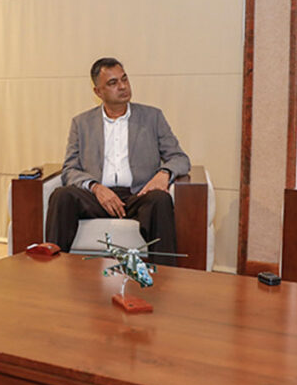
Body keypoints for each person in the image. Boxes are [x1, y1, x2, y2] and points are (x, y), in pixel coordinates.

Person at [46, 57, 191, 262]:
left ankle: (164, 276)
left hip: (137, 195)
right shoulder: (81, 123)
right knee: (62, 195)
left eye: (124, 79)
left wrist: (164, 173)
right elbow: (70, 168)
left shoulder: (152, 117)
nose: (123, 87)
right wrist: (96, 187)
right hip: (97, 197)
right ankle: (54, 270)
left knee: (160, 199)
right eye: (113, 83)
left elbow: (180, 158)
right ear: (98, 92)